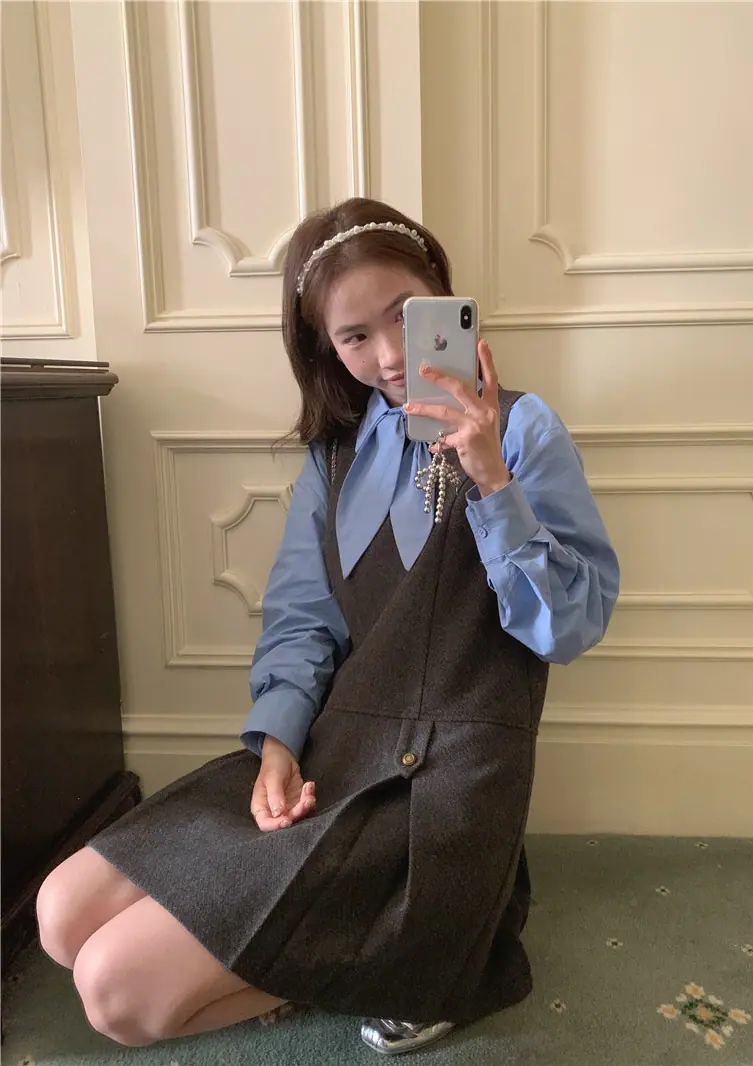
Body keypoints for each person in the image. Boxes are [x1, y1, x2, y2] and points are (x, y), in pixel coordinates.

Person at [36, 197, 619, 1056]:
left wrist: (492, 480)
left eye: (404, 318)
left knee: (116, 994)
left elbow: (567, 627)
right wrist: (277, 746)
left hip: (442, 785)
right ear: (326, 348)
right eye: (354, 336)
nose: (389, 356)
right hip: (332, 752)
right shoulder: (336, 453)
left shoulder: (525, 430)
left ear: (442, 298)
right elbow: (302, 618)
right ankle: (364, 955)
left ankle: (441, 952)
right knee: (60, 914)